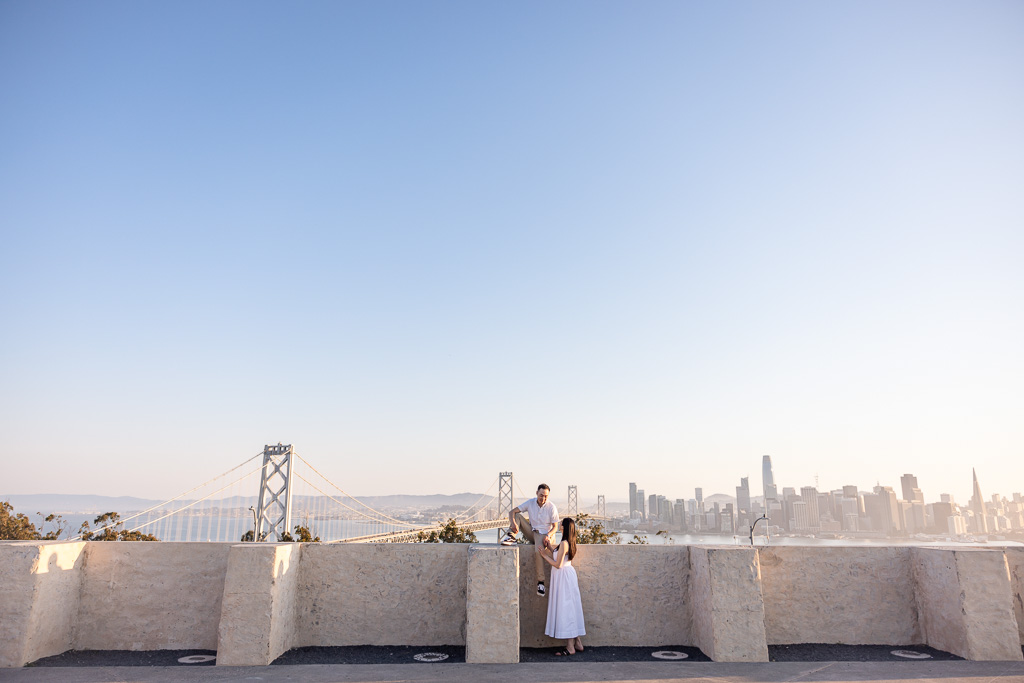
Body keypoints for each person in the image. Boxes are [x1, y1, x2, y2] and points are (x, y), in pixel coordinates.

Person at [502, 483, 558, 596]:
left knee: (538, 551)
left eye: (546, 496)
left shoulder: (551, 507)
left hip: (544, 535)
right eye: (541, 495)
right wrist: (513, 523)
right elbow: (512, 512)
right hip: (532, 532)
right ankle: (511, 536)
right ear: (537, 493)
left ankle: (541, 583)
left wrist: (549, 535)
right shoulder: (530, 502)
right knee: (517, 516)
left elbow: (555, 527)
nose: (543, 498)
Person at [540, 517, 586, 655]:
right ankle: (577, 642)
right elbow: (558, 553)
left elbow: (558, 564)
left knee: (566, 609)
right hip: (565, 577)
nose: (559, 525)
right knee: (569, 608)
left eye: (561, 524)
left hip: (563, 577)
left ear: (565, 527)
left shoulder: (565, 543)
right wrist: (549, 547)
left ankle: (570, 647)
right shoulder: (566, 543)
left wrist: (544, 555)